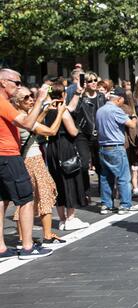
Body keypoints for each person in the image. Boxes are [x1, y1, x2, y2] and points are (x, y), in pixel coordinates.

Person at [0, 69, 53, 260]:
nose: (19, 86)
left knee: (2, 201)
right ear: (3, 82)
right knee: (26, 200)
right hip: (9, 156)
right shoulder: (3, 103)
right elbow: (28, 123)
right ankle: (28, 246)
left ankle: (1, 248)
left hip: (3, 156)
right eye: (17, 82)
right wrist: (40, 99)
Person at [11, 88, 66, 245]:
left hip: (27, 160)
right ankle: (47, 235)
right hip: (33, 160)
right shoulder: (22, 117)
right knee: (44, 195)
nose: (31, 100)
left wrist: (45, 111)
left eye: (31, 96)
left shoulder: (20, 117)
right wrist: (60, 112)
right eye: (25, 98)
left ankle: (23, 237)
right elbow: (51, 131)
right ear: (16, 102)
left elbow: (32, 128)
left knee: (27, 198)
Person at [44, 81, 90, 231]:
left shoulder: (47, 109)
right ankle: (71, 218)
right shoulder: (62, 111)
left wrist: (77, 94)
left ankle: (62, 219)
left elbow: (70, 107)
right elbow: (73, 131)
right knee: (69, 180)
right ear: (63, 94)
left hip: (52, 148)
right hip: (65, 147)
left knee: (57, 182)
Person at [96, 87, 138, 215]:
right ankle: (125, 205)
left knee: (105, 177)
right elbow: (131, 125)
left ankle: (106, 204)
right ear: (119, 99)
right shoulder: (116, 110)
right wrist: (134, 117)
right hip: (116, 147)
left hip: (103, 147)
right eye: (122, 100)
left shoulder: (100, 110)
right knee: (123, 177)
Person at [67, 71, 106, 203]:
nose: (93, 83)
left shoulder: (101, 97)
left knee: (100, 164)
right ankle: (85, 192)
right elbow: (73, 111)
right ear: (85, 83)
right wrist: (79, 93)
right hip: (83, 134)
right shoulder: (80, 97)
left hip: (99, 134)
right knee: (84, 165)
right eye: (90, 81)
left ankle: (103, 190)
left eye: (95, 80)